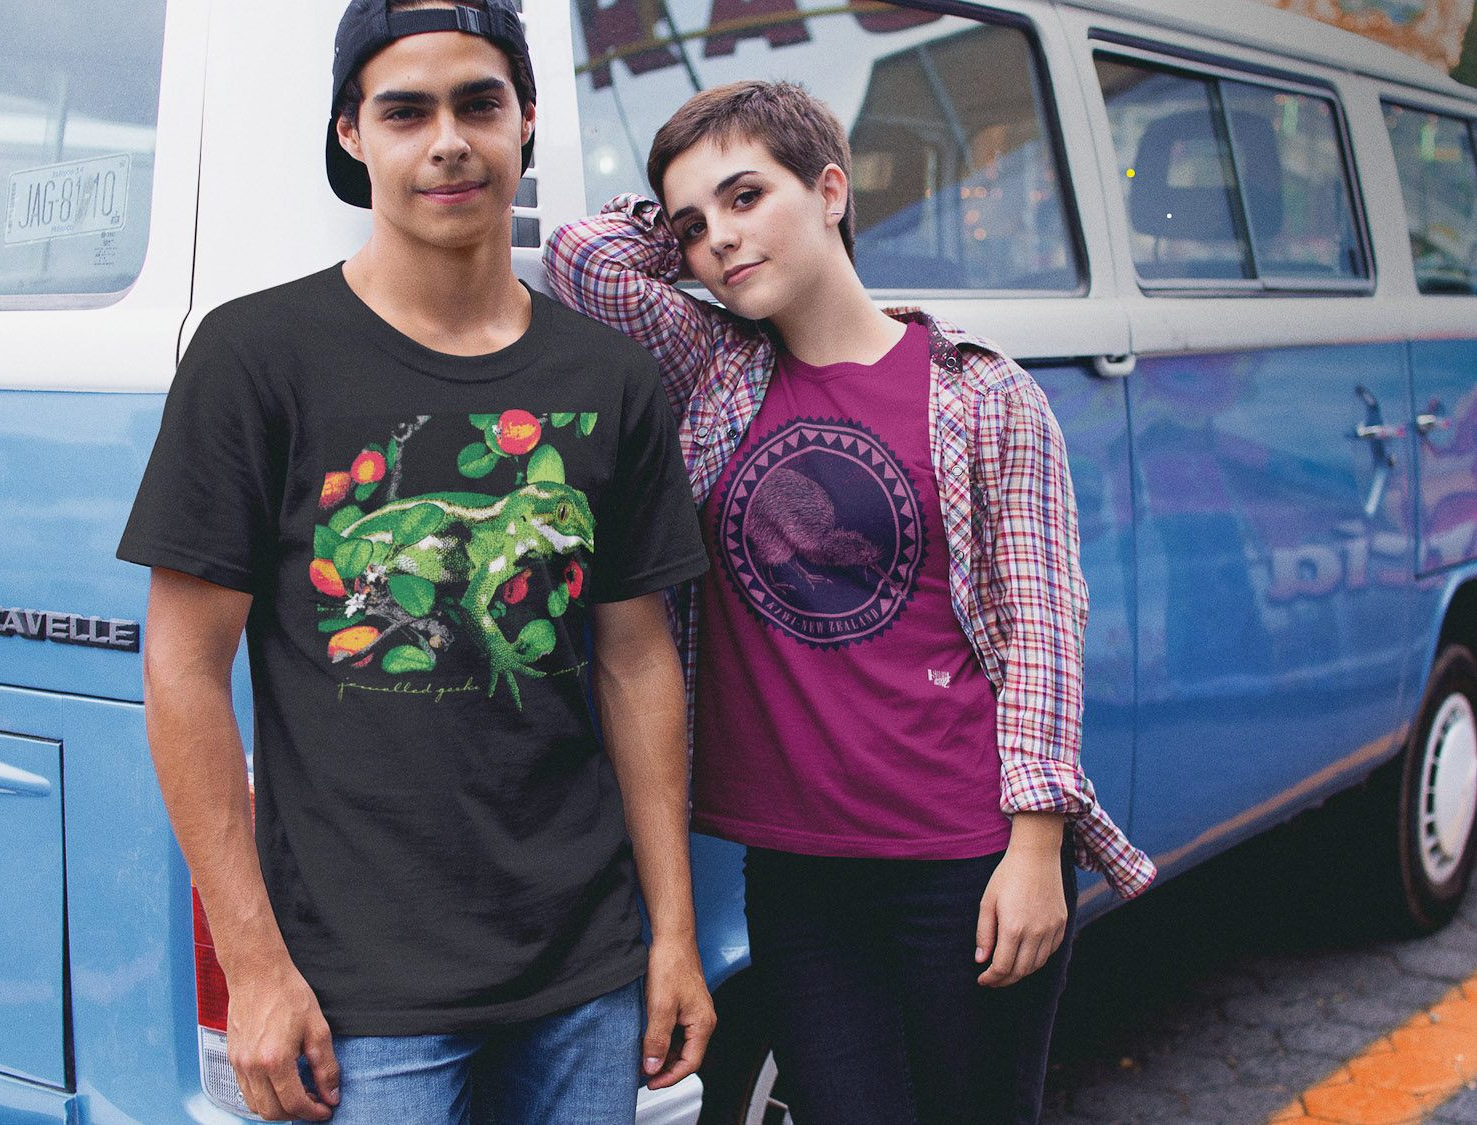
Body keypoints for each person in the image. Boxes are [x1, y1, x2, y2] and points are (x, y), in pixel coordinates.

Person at [116, 2, 715, 1121]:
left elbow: (637, 665)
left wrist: (671, 936)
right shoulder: (257, 357)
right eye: (406, 110)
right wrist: (253, 968)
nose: (448, 140)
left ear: (526, 124)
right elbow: (183, 671)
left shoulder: (611, 379)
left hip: (583, 972)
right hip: (357, 993)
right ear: (354, 135)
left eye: (479, 103)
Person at [544, 80, 1156, 1124]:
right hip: (798, 871)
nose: (720, 242)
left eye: (747, 198)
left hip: (961, 859)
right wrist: (674, 216)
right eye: (696, 227)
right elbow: (580, 262)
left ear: (832, 190)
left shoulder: (980, 390)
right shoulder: (716, 372)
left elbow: (1046, 625)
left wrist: (1037, 848)